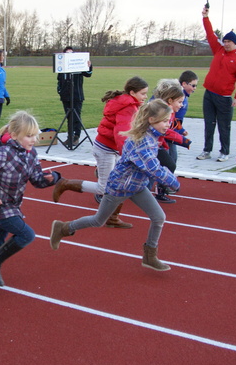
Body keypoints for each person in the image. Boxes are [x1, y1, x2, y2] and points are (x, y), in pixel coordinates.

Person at [50, 100, 180, 272]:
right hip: (119, 187)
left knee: (159, 217)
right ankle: (64, 228)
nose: (168, 124)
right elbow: (153, 167)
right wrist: (174, 182)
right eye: (164, 121)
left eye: (168, 120)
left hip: (137, 186)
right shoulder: (143, 142)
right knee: (98, 221)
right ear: (151, 120)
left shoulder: (151, 136)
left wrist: (182, 138)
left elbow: (156, 156)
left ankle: (150, 256)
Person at [0, 110, 60, 287]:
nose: (34, 140)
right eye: (29, 136)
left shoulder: (31, 154)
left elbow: (37, 180)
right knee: (26, 234)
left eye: (35, 135)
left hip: (12, 205)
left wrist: (52, 179)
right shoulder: (3, 153)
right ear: (14, 135)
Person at [52, 76, 149, 228]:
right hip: (106, 149)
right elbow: (121, 133)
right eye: (143, 93)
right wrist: (127, 154)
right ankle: (65, 184)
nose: (145, 97)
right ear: (132, 92)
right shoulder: (128, 108)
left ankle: (112, 218)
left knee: (119, 184)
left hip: (112, 148)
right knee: (104, 188)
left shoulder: (130, 104)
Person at [196, 4, 236, 162]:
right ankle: (206, 150)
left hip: (224, 97)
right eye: (224, 41)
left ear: (235, 43)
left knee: (224, 126)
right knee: (208, 124)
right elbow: (210, 34)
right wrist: (205, 17)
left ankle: (224, 152)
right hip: (209, 94)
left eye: (229, 42)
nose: (226, 44)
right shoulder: (218, 50)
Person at [149, 79, 191, 204]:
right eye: (179, 102)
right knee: (167, 165)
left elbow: (170, 128)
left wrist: (181, 135)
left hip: (157, 143)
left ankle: (157, 190)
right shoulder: (164, 111)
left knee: (164, 165)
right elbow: (165, 130)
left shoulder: (169, 111)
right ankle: (155, 191)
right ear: (170, 100)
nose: (182, 105)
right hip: (150, 144)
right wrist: (183, 140)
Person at [57, 46, 93, 147]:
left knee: (76, 116)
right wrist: (60, 91)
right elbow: (59, 80)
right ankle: (70, 136)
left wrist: (89, 66)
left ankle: (76, 136)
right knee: (69, 117)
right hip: (65, 96)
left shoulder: (78, 65)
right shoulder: (62, 68)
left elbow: (88, 74)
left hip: (77, 95)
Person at [168, 70, 198, 164]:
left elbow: (176, 119)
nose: (195, 88)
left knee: (172, 161)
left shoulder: (182, 96)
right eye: (193, 85)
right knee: (170, 161)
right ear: (184, 84)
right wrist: (181, 138)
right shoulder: (177, 96)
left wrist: (181, 130)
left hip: (171, 132)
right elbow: (172, 119)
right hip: (167, 133)